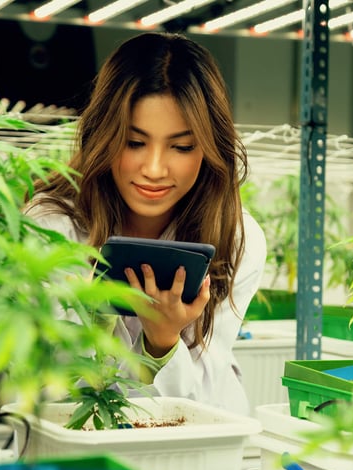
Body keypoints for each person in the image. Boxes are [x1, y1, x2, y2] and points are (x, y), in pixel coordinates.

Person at [24, 32, 266, 416]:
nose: (154, 169)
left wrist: (163, 339)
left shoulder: (237, 237)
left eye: (182, 146)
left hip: (196, 449)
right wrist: (94, 319)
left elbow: (200, 397)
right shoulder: (53, 227)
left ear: (209, 147)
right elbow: (47, 392)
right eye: (134, 142)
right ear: (104, 136)